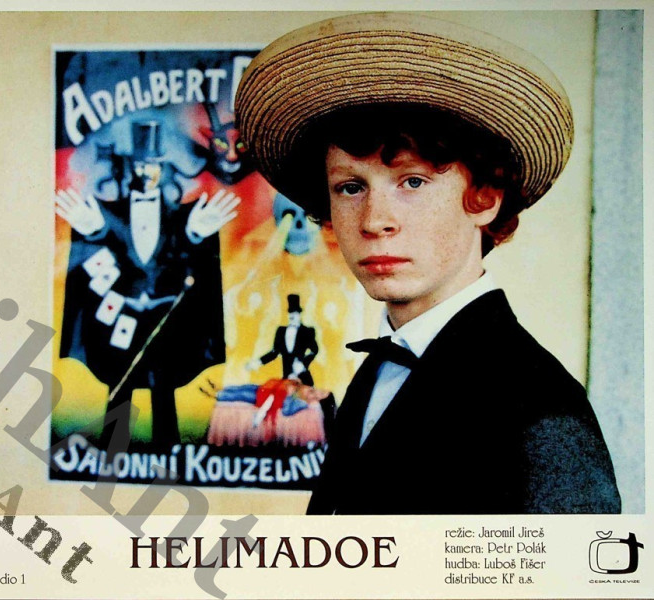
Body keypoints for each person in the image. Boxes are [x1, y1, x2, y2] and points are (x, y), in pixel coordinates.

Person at [235, 13, 621, 514]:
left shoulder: (540, 410)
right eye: (350, 187)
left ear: (484, 197)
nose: (374, 220)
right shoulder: (379, 369)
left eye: (412, 182)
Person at [56, 120, 239, 451]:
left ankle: (167, 450)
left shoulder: (181, 217)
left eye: (151, 166)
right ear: (130, 168)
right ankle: (113, 451)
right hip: (122, 316)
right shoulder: (108, 214)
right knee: (121, 384)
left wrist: (196, 234)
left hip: (162, 317)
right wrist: (93, 232)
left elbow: (183, 259)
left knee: (163, 386)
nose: (145, 172)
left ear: (162, 169)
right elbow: (104, 253)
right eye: (139, 165)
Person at [246, 294, 319, 385]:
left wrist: (302, 364)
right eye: (290, 313)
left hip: (302, 376)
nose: (292, 315)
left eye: (295, 313)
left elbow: (314, 350)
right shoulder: (281, 331)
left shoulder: (307, 331)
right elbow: (274, 352)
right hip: (287, 377)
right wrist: (257, 362)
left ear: (299, 314)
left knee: (308, 391)